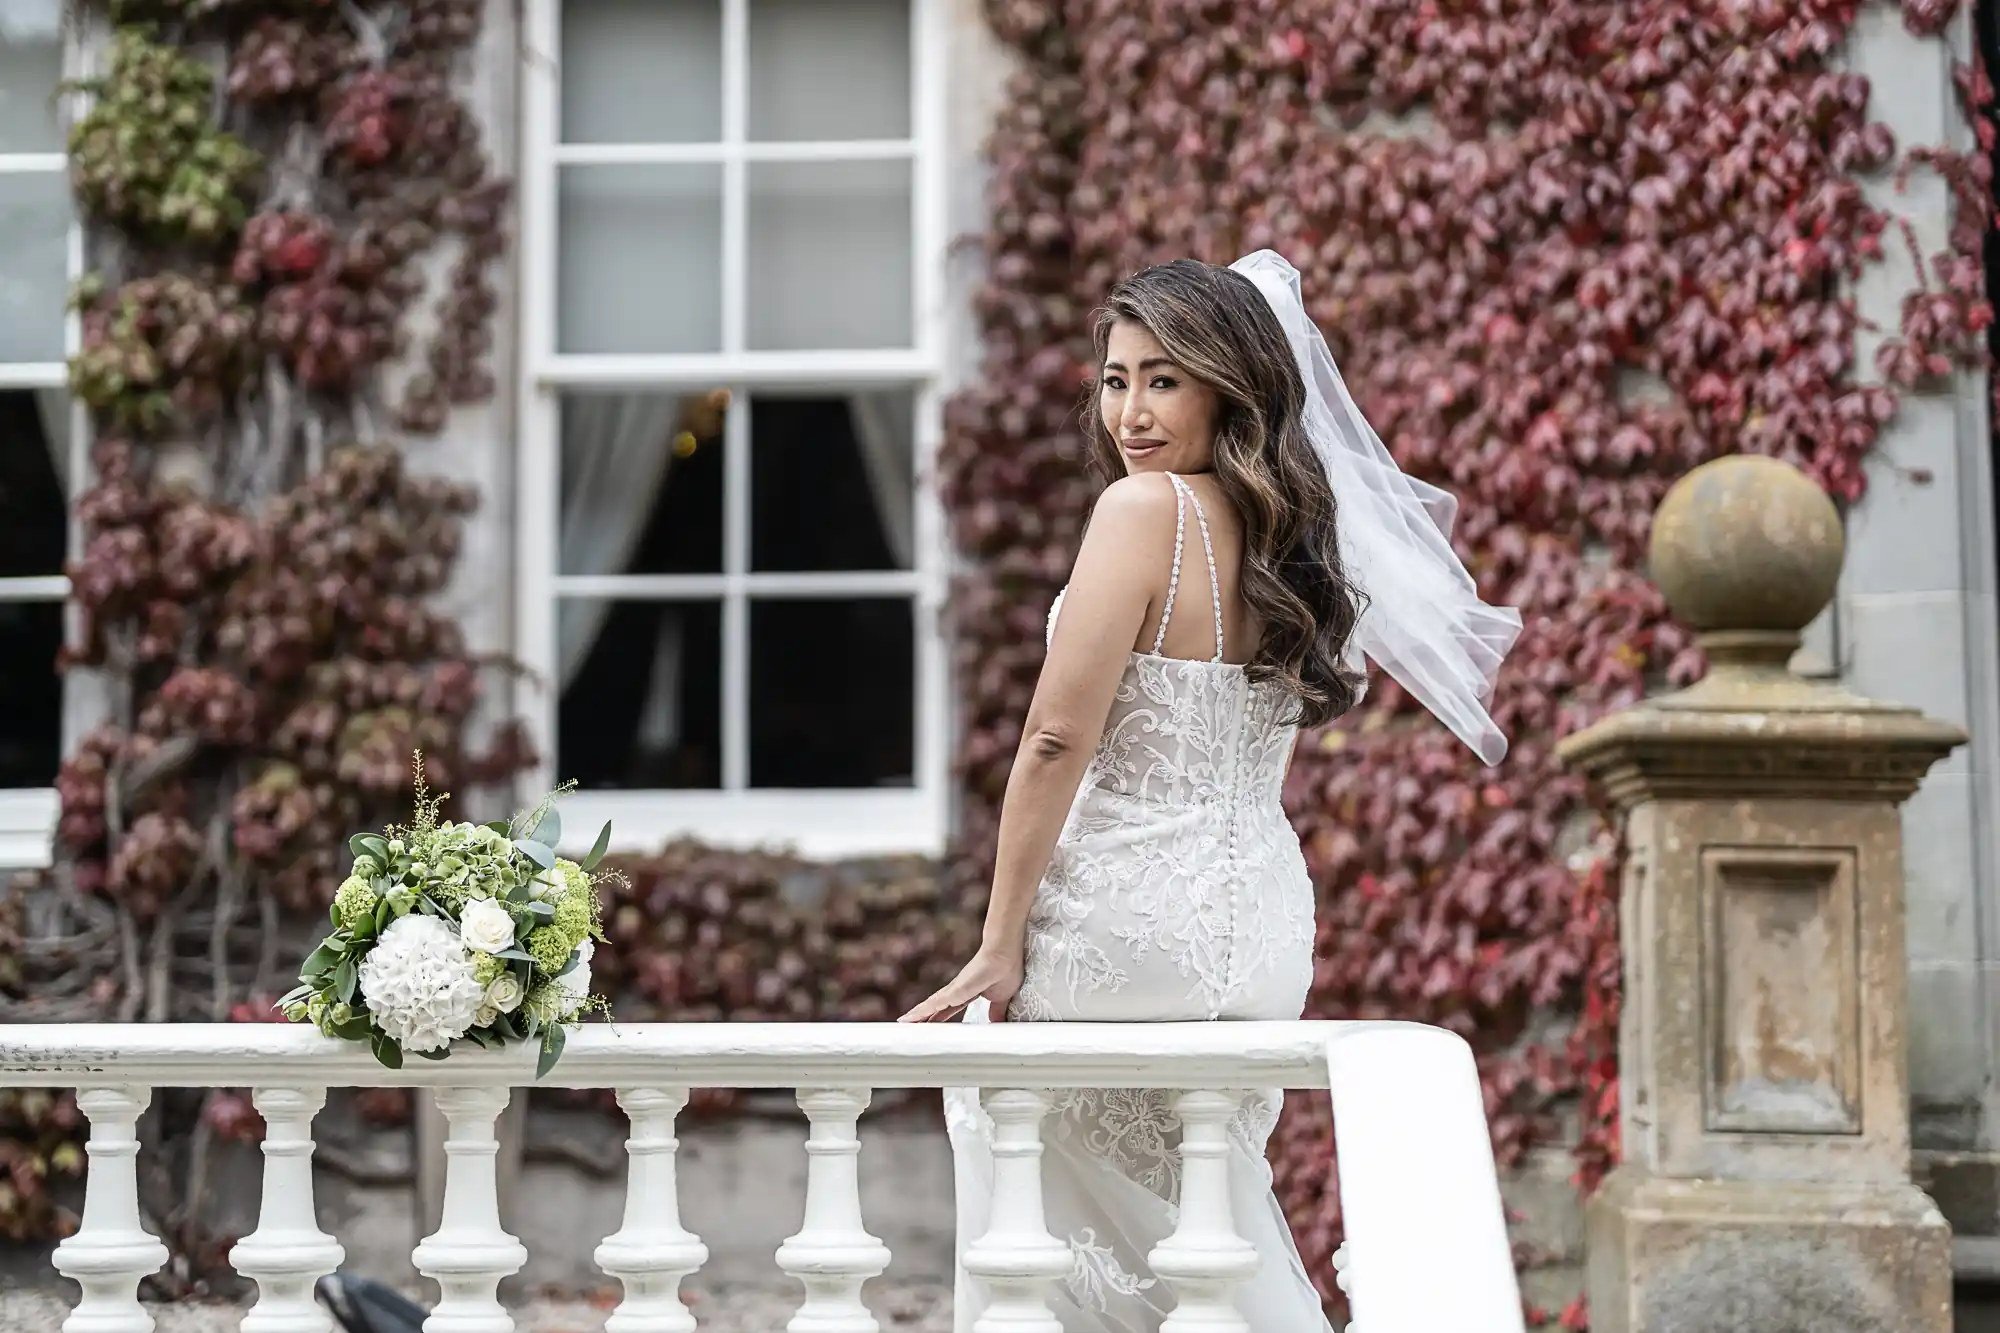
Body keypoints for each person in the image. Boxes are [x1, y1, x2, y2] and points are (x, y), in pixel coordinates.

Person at [899, 250, 1523, 1332]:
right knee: (1208, 1217)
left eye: (1162, 379)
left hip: (1125, 920)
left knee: (1027, 1175)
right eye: (1113, 378)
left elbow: (1053, 737)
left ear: (1226, 384)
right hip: (1261, 930)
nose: (1129, 412)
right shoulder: (1293, 534)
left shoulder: (1141, 512)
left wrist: (999, 943)